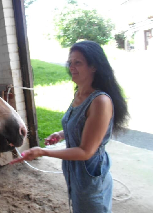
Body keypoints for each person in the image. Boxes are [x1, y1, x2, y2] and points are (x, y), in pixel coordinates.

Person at [11, 40, 129, 213]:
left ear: (93, 66)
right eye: (70, 63)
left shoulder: (100, 101)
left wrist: (43, 151)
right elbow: (81, 124)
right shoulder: (79, 93)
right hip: (74, 168)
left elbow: (85, 151)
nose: (71, 67)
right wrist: (61, 134)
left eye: (78, 63)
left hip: (90, 171)